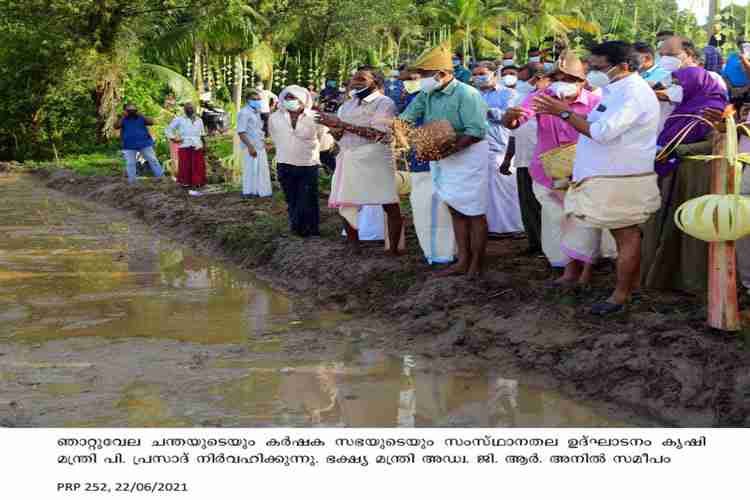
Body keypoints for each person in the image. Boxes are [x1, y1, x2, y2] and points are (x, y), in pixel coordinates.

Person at [533, 41, 661, 315]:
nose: (590, 70)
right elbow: (594, 124)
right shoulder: (614, 90)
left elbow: (601, 132)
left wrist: (563, 113)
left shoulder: (634, 94)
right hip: (606, 175)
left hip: (622, 177)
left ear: (623, 66)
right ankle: (626, 288)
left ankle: (621, 295)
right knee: (620, 234)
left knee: (626, 235)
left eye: (597, 66)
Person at [503, 51, 606, 284]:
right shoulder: (541, 97)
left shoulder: (594, 102)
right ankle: (569, 268)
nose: (562, 82)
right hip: (547, 172)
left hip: (584, 172)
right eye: (558, 77)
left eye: (569, 79)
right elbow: (518, 120)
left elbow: (601, 132)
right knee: (560, 219)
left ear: (582, 82)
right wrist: (510, 119)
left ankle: (587, 269)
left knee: (586, 220)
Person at [641, 37, 728, 293]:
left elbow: (716, 139)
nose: (663, 57)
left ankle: (689, 280)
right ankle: (658, 274)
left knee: (690, 228)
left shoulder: (710, 103)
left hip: (695, 176)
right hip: (669, 168)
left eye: (669, 52)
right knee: (663, 223)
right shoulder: (682, 107)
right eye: (661, 53)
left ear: (688, 54)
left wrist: (680, 149)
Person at [400, 43, 489, 276]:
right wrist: (398, 133)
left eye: (426, 75)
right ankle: (462, 260)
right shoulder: (426, 93)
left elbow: (476, 131)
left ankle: (477, 264)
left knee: (474, 212)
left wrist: (445, 151)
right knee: (455, 209)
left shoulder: (468, 94)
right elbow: (406, 118)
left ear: (443, 73)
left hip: (468, 154)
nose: (422, 79)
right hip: (442, 154)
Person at [317, 67, 403, 255]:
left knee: (388, 202)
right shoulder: (347, 105)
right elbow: (340, 136)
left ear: (377, 83)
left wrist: (341, 124)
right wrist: (330, 125)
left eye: (361, 79)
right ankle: (354, 246)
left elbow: (378, 134)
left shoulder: (384, 103)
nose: (355, 82)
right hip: (348, 157)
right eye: (354, 78)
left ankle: (393, 250)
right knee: (347, 203)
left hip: (375, 158)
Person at [399, 71, 457, 265]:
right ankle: (436, 253)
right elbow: (402, 126)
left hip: (445, 160)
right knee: (424, 209)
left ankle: (445, 254)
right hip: (421, 164)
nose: (412, 81)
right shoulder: (412, 98)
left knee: (441, 209)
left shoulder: (458, 96)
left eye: (422, 75)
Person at [268, 85, 334, 237]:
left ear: (303, 100)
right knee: (291, 197)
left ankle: (312, 230)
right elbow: (274, 136)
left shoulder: (315, 117)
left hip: (308, 163)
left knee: (308, 198)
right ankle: (296, 227)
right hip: (284, 163)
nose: (290, 101)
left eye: (293, 98)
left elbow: (322, 139)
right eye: (287, 98)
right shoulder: (275, 117)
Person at [472, 65, 523, 235]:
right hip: (478, 145)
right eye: (475, 74)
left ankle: (513, 226)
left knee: (506, 187)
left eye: (482, 74)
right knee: (486, 187)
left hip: (503, 146)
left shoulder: (509, 94)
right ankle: (492, 226)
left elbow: (510, 116)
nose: (478, 77)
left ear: (494, 74)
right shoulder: (472, 95)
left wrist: (487, 111)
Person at [114, 103, 164, 184]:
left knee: (153, 160)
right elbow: (116, 126)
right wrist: (123, 116)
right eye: (129, 110)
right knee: (130, 164)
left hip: (144, 143)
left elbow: (151, 122)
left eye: (133, 110)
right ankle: (133, 182)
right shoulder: (123, 119)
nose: (132, 112)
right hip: (128, 145)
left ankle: (161, 178)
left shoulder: (140, 117)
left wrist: (141, 115)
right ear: (125, 111)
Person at [236, 90, 272, 198]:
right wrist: (250, 147)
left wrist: (264, 143)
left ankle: (261, 192)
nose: (257, 101)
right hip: (250, 146)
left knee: (261, 169)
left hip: (259, 145)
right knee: (250, 169)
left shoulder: (257, 112)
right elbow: (241, 132)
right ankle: (249, 192)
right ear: (248, 100)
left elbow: (258, 130)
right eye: (254, 99)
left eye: (258, 99)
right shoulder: (244, 112)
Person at [165, 102, 207, 189]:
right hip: (185, 144)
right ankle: (185, 183)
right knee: (185, 165)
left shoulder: (199, 120)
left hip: (197, 145)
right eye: (187, 108)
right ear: (184, 110)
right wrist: (174, 139)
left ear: (195, 109)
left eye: (191, 107)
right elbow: (168, 129)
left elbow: (202, 134)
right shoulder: (179, 119)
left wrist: (205, 145)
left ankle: (197, 182)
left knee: (198, 165)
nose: (190, 109)